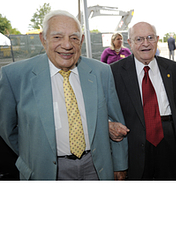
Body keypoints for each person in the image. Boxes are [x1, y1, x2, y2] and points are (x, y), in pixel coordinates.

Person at [0, 10, 128, 180]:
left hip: (96, 167)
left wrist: (119, 164)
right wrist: (35, 154)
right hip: (45, 171)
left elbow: (115, 119)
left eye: (74, 38)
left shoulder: (101, 72)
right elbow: (8, 130)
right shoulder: (14, 76)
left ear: (81, 41)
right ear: (43, 39)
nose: (67, 45)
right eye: (57, 37)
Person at [109, 22, 176, 180]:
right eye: (139, 39)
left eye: (150, 38)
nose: (145, 43)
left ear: (157, 39)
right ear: (129, 42)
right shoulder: (114, 72)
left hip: (169, 143)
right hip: (134, 145)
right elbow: (105, 108)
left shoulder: (174, 69)